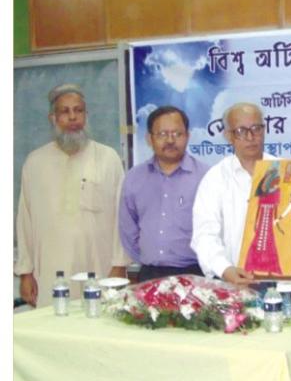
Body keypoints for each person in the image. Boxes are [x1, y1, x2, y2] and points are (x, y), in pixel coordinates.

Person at [15, 83, 129, 307]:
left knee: (99, 323)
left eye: (78, 110)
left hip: (99, 268)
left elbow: (122, 215)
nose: (73, 117)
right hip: (50, 272)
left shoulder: (108, 158)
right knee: (54, 322)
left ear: (86, 115)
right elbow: (24, 221)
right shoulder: (35, 162)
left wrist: (119, 264)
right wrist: (26, 272)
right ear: (53, 118)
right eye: (64, 111)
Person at [119, 106, 210, 281]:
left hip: (195, 274)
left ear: (187, 136)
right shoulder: (134, 177)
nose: (170, 140)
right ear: (149, 138)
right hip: (149, 274)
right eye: (162, 134)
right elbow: (128, 231)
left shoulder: (206, 177)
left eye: (177, 134)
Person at [191, 103, 274, 286]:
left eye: (256, 129)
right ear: (228, 136)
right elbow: (204, 235)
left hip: (283, 283)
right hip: (234, 282)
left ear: (264, 130)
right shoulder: (215, 178)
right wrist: (225, 269)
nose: (250, 137)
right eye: (241, 131)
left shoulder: (287, 172)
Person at [243, 162, 283, 275]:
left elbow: (275, 210)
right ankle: (252, 268)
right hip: (261, 222)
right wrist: (255, 223)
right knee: (257, 242)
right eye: (275, 180)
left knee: (269, 243)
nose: (277, 183)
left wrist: (276, 222)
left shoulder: (276, 192)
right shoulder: (263, 193)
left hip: (269, 223)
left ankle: (270, 270)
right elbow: (258, 210)